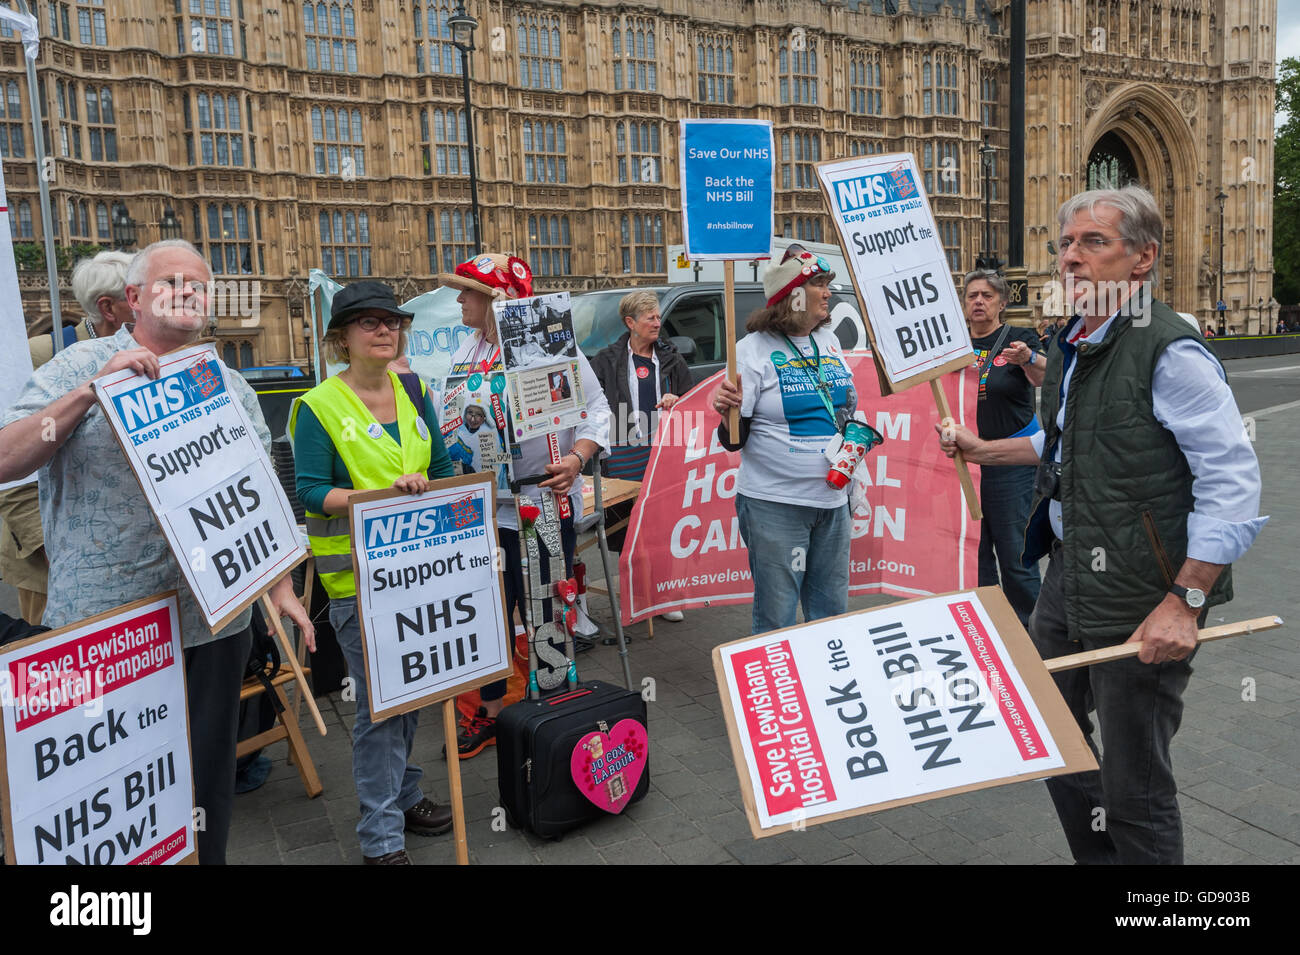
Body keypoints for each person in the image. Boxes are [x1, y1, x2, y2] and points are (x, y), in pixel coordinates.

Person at [937, 186, 1266, 864]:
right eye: (1065, 244)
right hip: (1067, 580)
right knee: (1048, 730)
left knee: (1135, 784)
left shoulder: (1170, 350)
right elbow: (1056, 443)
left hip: (1144, 595)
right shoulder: (1072, 341)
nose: (1071, 258)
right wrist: (981, 450)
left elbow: (1234, 483)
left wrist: (1187, 601)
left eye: (1093, 243)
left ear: (1142, 259)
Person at [0, 239, 313, 865]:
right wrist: (91, 392)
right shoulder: (79, 365)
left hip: (212, 627)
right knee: (117, 802)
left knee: (203, 797)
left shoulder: (226, 385)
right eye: (173, 281)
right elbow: (6, 457)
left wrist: (279, 587)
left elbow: (256, 499)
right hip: (107, 633)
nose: (189, 292)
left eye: (201, 284)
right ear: (135, 299)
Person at [290, 280, 457, 865]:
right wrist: (379, 495)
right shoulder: (318, 407)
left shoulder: (412, 389)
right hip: (358, 586)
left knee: (411, 694)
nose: (386, 330)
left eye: (392, 321)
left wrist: (428, 483)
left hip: (423, 572)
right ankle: (380, 838)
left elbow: (438, 462)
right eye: (371, 323)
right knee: (382, 710)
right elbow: (309, 490)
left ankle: (405, 795)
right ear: (342, 338)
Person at [436, 253, 610, 757]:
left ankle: (553, 710)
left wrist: (578, 457)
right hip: (482, 508)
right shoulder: (467, 349)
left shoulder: (553, 346)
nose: (459, 299)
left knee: (547, 607)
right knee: (490, 613)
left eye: (467, 291)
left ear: (497, 300)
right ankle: (490, 713)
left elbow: (597, 409)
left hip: (543, 503)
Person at [709, 247, 857, 635]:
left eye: (827, 285)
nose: (828, 293)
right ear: (792, 295)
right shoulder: (750, 352)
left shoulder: (828, 342)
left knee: (830, 613)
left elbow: (841, 408)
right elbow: (732, 442)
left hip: (832, 502)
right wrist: (730, 411)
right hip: (776, 506)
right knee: (778, 618)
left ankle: (826, 689)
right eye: (818, 285)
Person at [0, 251, 137, 626]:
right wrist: (52, 545)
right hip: (50, 554)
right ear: (109, 308)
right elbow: (12, 458)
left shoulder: (144, 355)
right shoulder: (40, 355)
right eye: (137, 295)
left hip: (123, 554)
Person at [590, 289, 693, 623]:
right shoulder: (607, 359)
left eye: (658, 316)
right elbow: (594, 405)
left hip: (664, 446)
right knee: (630, 525)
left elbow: (691, 400)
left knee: (662, 521)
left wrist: (676, 400)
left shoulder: (671, 357)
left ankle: (663, 596)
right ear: (630, 322)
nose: (657, 323)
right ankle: (635, 596)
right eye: (650, 317)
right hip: (623, 450)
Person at [963, 269, 1044, 628]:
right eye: (971, 296)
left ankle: (1035, 635)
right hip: (964, 465)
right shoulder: (952, 344)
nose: (978, 301)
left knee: (1015, 555)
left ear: (1001, 303)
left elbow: (1046, 378)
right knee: (975, 554)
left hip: (1011, 464)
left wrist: (1028, 358)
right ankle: (990, 630)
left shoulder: (1018, 338)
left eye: (986, 296)